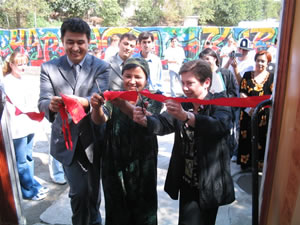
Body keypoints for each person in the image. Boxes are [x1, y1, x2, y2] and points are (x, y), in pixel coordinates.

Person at [133, 59, 235, 225]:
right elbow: (164, 123)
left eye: (190, 83)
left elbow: (219, 125)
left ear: (206, 82)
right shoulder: (184, 103)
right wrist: (145, 120)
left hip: (209, 180)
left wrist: (188, 117)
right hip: (187, 180)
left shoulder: (220, 102)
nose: (185, 88)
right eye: (183, 83)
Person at [38, 18, 110, 225]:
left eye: (80, 42)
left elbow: (101, 97)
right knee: (79, 193)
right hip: (67, 141)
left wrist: (82, 103)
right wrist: (49, 105)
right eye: (70, 42)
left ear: (88, 42)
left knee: (93, 193)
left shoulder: (101, 67)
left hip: (94, 139)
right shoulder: (49, 68)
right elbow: (42, 100)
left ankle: (94, 221)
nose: (75, 47)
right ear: (62, 41)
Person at [90, 58, 163, 225]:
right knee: (117, 207)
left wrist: (122, 104)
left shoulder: (154, 98)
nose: (132, 81)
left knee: (144, 207)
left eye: (138, 77)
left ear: (146, 78)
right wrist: (96, 108)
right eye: (127, 76)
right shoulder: (113, 96)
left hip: (143, 160)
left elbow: (146, 119)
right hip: (114, 159)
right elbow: (100, 120)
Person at [3, 51, 49, 201]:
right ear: (11, 65)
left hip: (28, 125)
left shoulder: (23, 79)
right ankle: (28, 191)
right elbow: (21, 104)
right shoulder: (7, 82)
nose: (23, 67)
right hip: (17, 128)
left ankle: (31, 185)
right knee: (21, 161)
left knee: (28, 158)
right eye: (19, 64)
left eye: (25, 63)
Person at [199, 48, 240, 159]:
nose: (205, 61)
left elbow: (233, 92)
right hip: (207, 112)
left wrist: (223, 100)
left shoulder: (225, 73)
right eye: (202, 59)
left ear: (215, 59)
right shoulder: (201, 76)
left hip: (224, 112)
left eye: (207, 59)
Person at [237, 50, 274, 171]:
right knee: (246, 137)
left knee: (260, 138)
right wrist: (249, 107)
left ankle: (258, 166)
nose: (260, 63)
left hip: (263, 115)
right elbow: (242, 91)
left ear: (268, 63)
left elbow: (273, 96)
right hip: (247, 113)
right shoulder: (247, 75)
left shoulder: (272, 77)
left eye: (263, 61)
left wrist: (259, 108)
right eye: (258, 60)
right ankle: (245, 163)